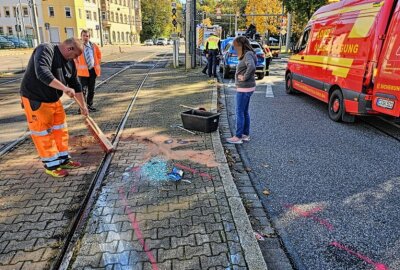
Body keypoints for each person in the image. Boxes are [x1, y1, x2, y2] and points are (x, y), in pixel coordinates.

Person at [20, 38, 88, 177]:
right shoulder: (46, 49)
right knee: (43, 133)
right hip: (36, 99)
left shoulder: (70, 63)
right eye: (75, 55)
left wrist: (83, 106)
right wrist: (64, 88)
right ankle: (52, 166)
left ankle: (63, 159)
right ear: (69, 49)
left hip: (53, 99)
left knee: (60, 129)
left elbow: (75, 85)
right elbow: (42, 73)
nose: (75, 59)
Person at [226, 36, 257, 144]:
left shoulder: (247, 54)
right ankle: (245, 135)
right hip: (247, 87)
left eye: (235, 46)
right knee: (244, 112)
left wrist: (244, 77)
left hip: (244, 88)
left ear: (240, 45)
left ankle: (238, 136)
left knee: (239, 112)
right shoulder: (249, 53)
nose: (234, 49)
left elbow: (252, 67)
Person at [75, 29, 102, 112]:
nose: (85, 37)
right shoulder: (78, 46)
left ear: (89, 37)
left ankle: (90, 105)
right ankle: (82, 107)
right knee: (82, 90)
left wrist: (96, 64)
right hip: (82, 72)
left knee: (91, 89)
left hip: (92, 71)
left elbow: (99, 55)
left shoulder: (93, 45)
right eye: (84, 36)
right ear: (81, 36)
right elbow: (74, 57)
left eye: (87, 36)